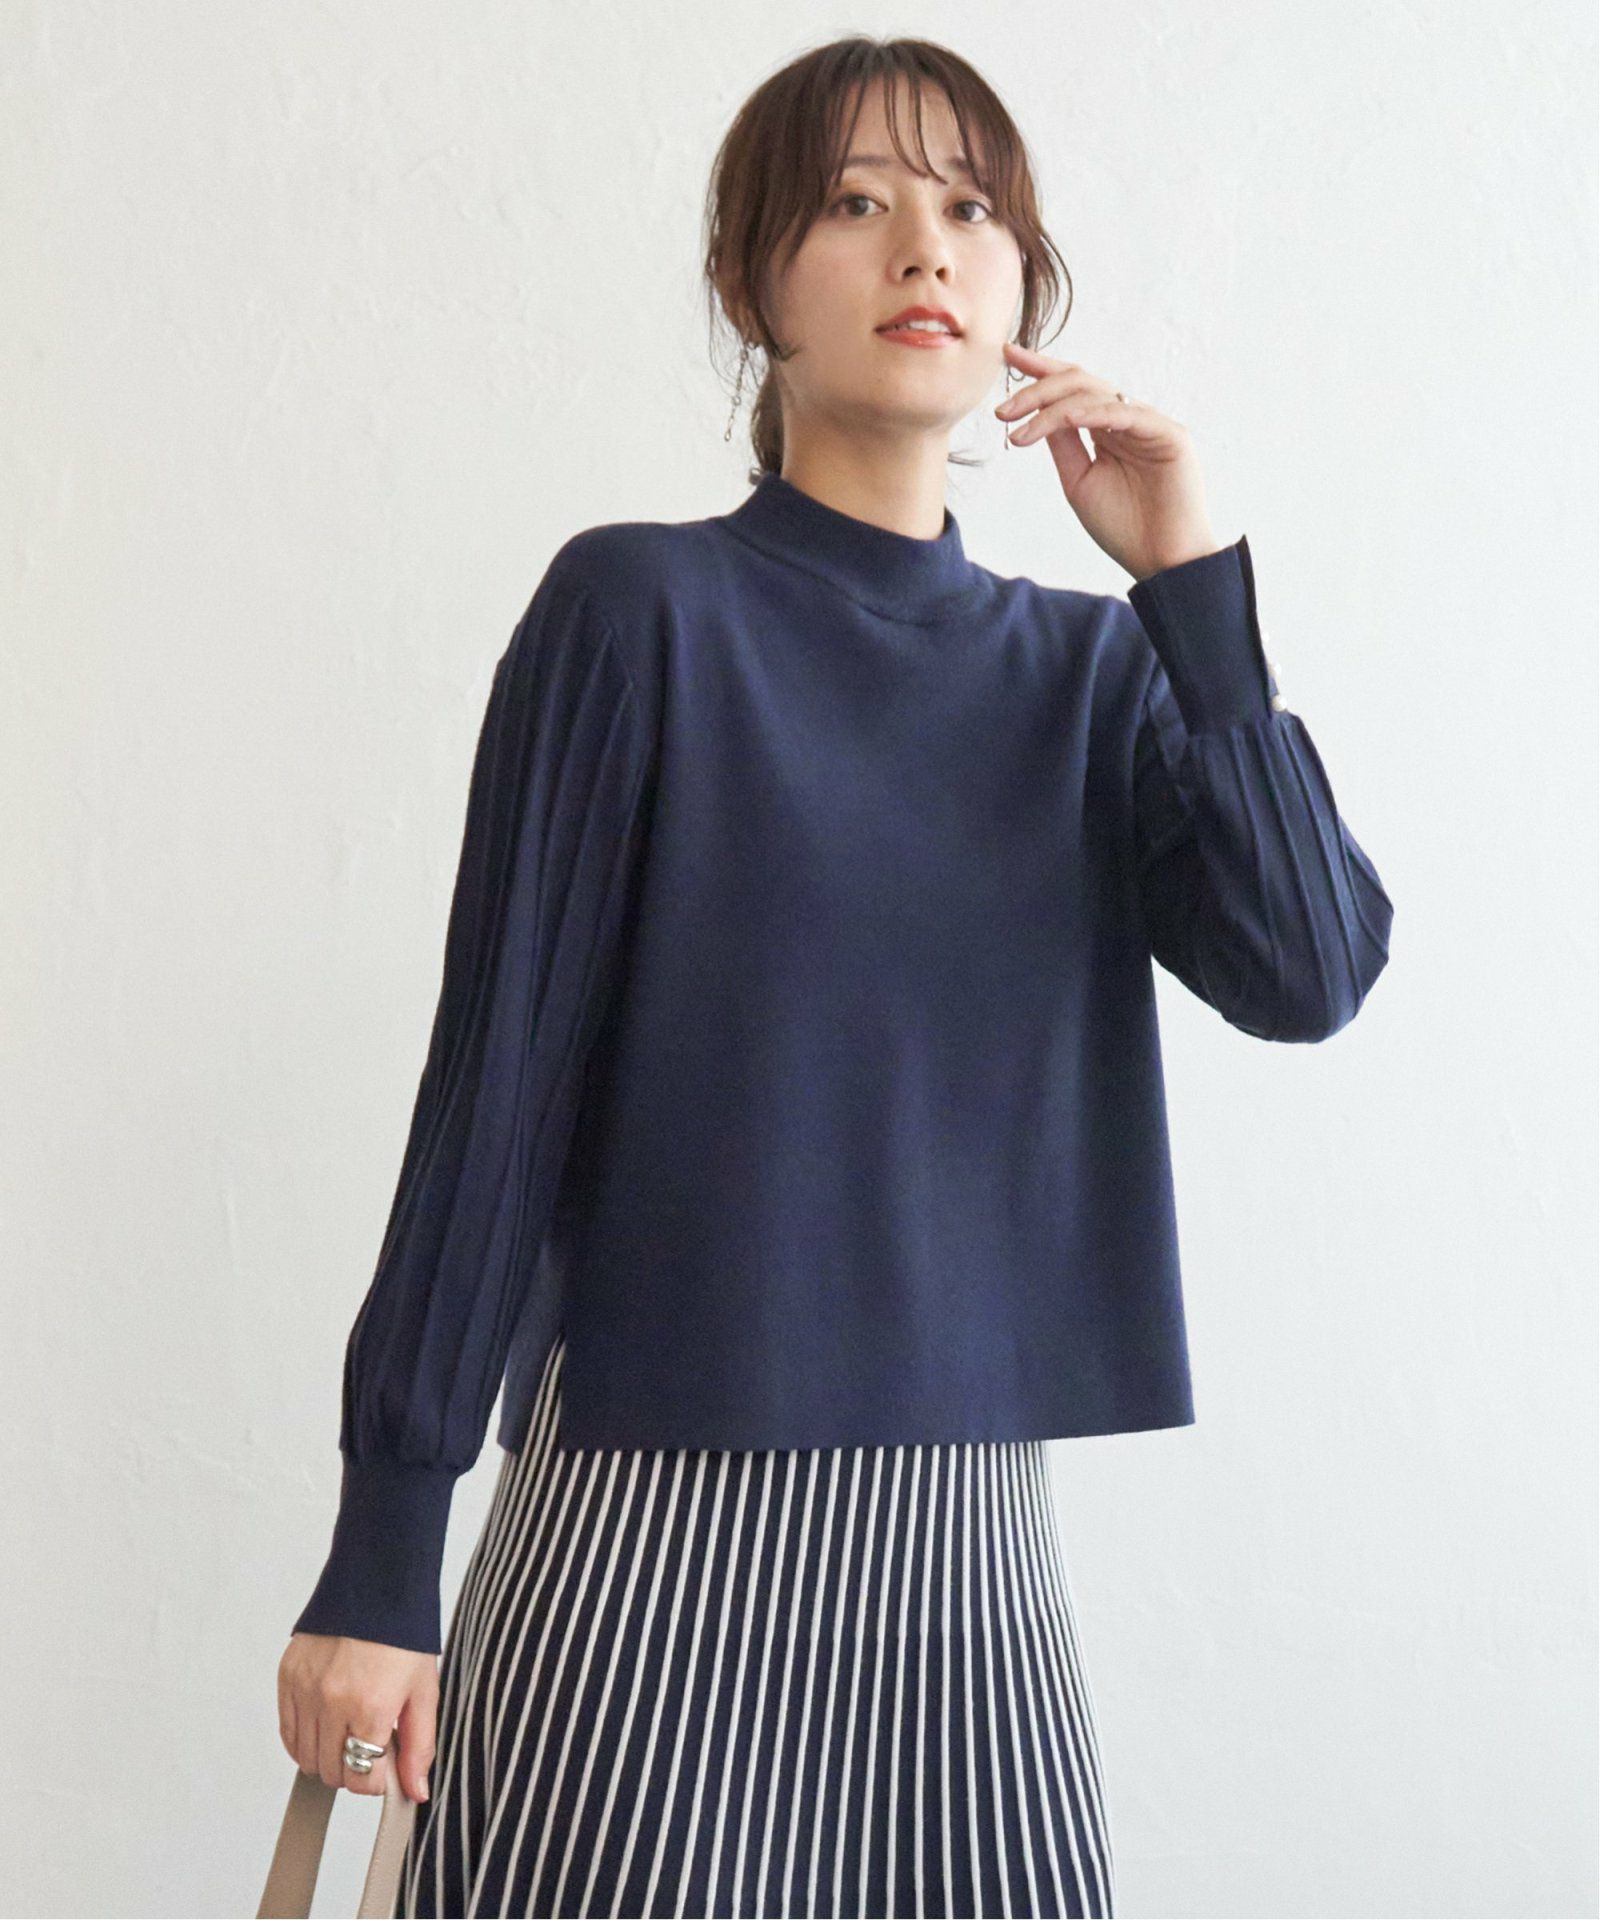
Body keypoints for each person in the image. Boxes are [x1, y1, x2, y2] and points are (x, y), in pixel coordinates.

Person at [277, 35, 1393, 1920]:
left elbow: (1311, 967)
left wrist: (1195, 594)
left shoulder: (1091, 676)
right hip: (644, 1532)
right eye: (857, 203)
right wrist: (385, 1557)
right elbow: (497, 1095)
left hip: (965, 1556)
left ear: (1024, 290)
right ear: (751, 283)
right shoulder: (639, 613)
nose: (923, 249)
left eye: (970, 210)